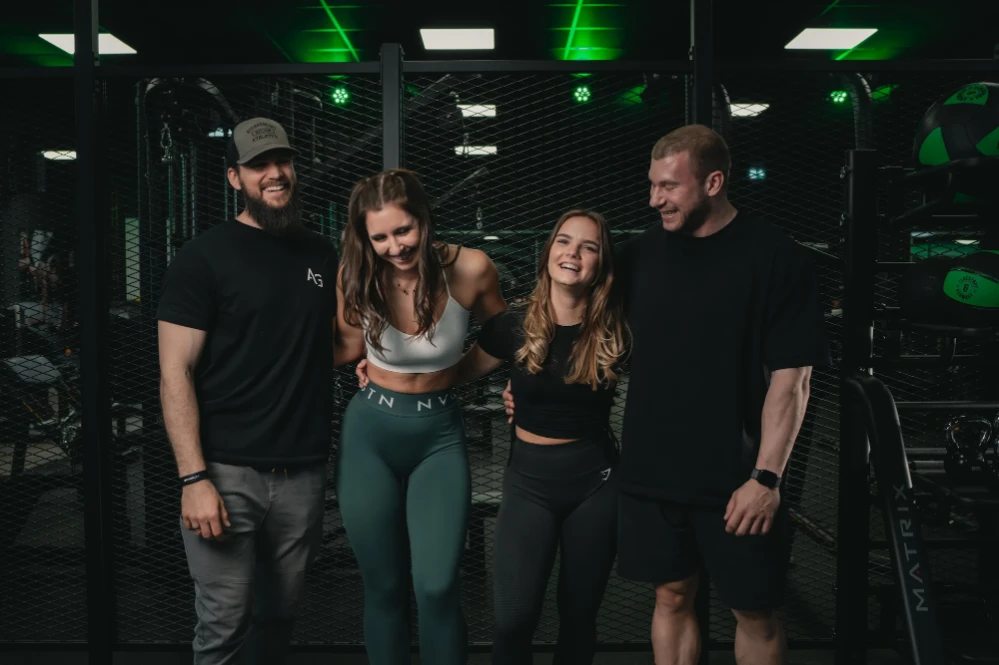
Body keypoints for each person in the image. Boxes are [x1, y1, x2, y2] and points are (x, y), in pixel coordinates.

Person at [504, 125, 831, 665]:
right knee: (671, 596)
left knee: (755, 611)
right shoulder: (636, 259)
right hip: (652, 475)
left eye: (669, 187)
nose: (654, 198)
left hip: (738, 478)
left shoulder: (778, 260)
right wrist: (528, 393)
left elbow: (793, 380)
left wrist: (766, 479)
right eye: (652, 185)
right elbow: (577, 325)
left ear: (713, 182)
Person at [361, 209, 630, 663]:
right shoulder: (513, 326)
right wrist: (386, 371)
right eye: (564, 241)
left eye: (589, 247)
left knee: (579, 615)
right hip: (529, 484)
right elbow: (451, 373)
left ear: (601, 263)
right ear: (549, 253)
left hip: (597, 484)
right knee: (513, 618)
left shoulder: (617, 330)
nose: (573, 254)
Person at [157, 117, 338, 664]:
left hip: (303, 472)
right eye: (259, 165)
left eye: (282, 161)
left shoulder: (321, 253)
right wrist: (194, 478)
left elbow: (343, 341)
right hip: (225, 473)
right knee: (224, 624)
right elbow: (175, 374)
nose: (275, 174)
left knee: (279, 617)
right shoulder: (202, 257)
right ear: (236, 177)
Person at [332, 168, 506, 665]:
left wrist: (456, 373)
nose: (395, 246)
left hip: (439, 437)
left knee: (436, 586)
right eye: (380, 236)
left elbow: (508, 334)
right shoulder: (357, 275)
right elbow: (346, 346)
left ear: (424, 220)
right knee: (384, 588)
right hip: (370, 434)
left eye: (403, 230)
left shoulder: (472, 269)